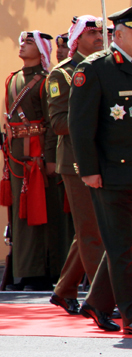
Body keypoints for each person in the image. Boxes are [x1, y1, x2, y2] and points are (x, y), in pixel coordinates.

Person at [69, 2, 132, 335]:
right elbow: (80, 125)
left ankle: (97, 303)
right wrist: (88, 169)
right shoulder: (97, 69)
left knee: (127, 246)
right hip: (112, 173)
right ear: (119, 33)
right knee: (123, 248)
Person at [47, 16, 107, 314]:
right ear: (77, 38)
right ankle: (101, 298)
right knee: (92, 230)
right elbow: (58, 123)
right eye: (92, 32)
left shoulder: (106, 67)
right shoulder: (63, 75)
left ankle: (65, 288)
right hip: (75, 162)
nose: (99, 36)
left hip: (102, 159)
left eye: (101, 32)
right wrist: (96, 118)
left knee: (89, 229)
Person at [3, 30, 58, 290]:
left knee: (39, 209)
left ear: (42, 50)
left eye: (29, 42)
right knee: (18, 213)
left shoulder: (46, 81)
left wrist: (50, 158)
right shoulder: (11, 79)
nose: (22, 45)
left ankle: (39, 270)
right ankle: (20, 268)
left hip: (37, 154)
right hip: (16, 155)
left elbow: (51, 123)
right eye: (22, 40)